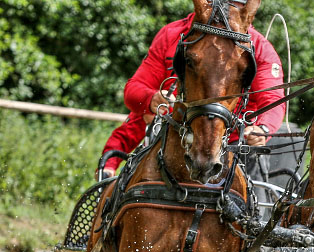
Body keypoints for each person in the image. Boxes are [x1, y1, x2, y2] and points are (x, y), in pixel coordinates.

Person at [100, 11, 286, 177]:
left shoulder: (260, 48)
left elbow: (273, 100)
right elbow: (136, 94)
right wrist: (152, 100)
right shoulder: (171, 35)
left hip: (237, 148)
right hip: (170, 142)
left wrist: (263, 129)